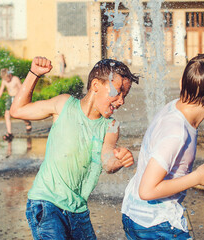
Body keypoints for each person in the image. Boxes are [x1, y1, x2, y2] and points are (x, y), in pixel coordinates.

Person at [10, 56, 139, 240]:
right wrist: (34, 74)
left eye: (124, 96)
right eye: (117, 92)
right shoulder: (64, 105)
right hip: (47, 204)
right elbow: (17, 110)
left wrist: (118, 160)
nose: (121, 101)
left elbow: (107, 161)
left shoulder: (111, 126)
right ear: (96, 85)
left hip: (78, 211)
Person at [121, 54, 204, 239]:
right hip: (155, 224)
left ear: (182, 83)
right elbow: (147, 190)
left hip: (136, 215)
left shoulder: (174, 108)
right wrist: (196, 178)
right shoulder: (176, 133)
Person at [0, 68, 32, 141]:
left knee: (20, 114)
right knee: (7, 114)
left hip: (17, 97)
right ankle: (9, 133)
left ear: (10, 75)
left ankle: (27, 122)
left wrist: (26, 98)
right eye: (4, 79)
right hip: (10, 97)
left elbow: (22, 89)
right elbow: (1, 91)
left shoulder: (15, 79)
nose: (6, 80)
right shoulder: (4, 81)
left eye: (7, 78)